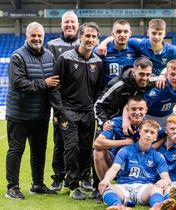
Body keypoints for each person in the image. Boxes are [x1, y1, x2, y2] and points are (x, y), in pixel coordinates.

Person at [5, 21, 58, 199]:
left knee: (39, 151)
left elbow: (55, 84)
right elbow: (18, 83)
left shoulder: (50, 56)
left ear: (43, 37)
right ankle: (12, 187)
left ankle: (37, 184)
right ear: (27, 36)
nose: (36, 38)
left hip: (41, 115)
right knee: (16, 150)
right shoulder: (17, 56)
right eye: (33, 35)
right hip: (19, 114)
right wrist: (44, 84)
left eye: (39, 35)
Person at [53, 22, 103, 200]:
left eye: (93, 36)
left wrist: (94, 109)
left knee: (85, 148)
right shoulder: (65, 58)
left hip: (88, 112)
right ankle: (72, 184)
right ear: (80, 37)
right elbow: (55, 87)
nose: (90, 39)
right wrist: (60, 111)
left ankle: (84, 178)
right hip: (68, 111)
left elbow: (97, 90)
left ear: (97, 40)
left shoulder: (98, 62)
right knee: (71, 147)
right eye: (87, 36)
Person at [98, 120, 176, 210]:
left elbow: (167, 178)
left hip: (145, 189)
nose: (148, 135)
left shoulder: (158, 156)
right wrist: (106, 179)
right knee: (108, 189)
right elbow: (114, 169)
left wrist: (165, 181)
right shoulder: (125, 150)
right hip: (124, 187)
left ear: (156, 137)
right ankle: (118, 206)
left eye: (152, 132)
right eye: (146, 131)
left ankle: (156, 206)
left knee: (157, 189)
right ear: (139, 132)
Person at [46, 10, 81, 191]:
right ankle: (58, 177)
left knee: (80, 143)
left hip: (81, 105)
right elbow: (51, 78)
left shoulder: (85, 43)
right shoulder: (52, 45)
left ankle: (82, 177)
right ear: (61, 25)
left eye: (72, 23)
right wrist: (57, 106)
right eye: (66, 22)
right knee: (59, 142)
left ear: (78, 25)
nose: (69, 25)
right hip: (60, 104)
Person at [97, 19, 176, 77]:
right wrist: (103, 43)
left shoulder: (172, 50)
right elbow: (120, 37)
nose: (156, 37)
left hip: (162, 86)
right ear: (148, 33)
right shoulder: (139, 44)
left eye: (160, 34)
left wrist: (165, 72)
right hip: (144, 85)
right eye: (154, 33)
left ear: (164, 34)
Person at [95, 57, 153, 132]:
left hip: (132, 118)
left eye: (148, 74)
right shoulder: (119, 84)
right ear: (133, 72)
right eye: (141, 74)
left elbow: (167, 75)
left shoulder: (151, 80)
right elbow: (97, 105)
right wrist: (104, 122)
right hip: (110, 121)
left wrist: (162, 74)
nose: (145, 78)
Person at [144, 60, 176, 128]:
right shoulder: (159, 85)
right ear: (166, 75)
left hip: (168, 115)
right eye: (172, 74)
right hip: (150, 117)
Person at [95, 19, 136, 88]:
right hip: (107, 94)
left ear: (130, 34)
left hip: (128, 94)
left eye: (126, 32)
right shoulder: (102, 49)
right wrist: (103, 43)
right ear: (113, 34)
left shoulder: (135, 49)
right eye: (118, 32)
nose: (122, 35)